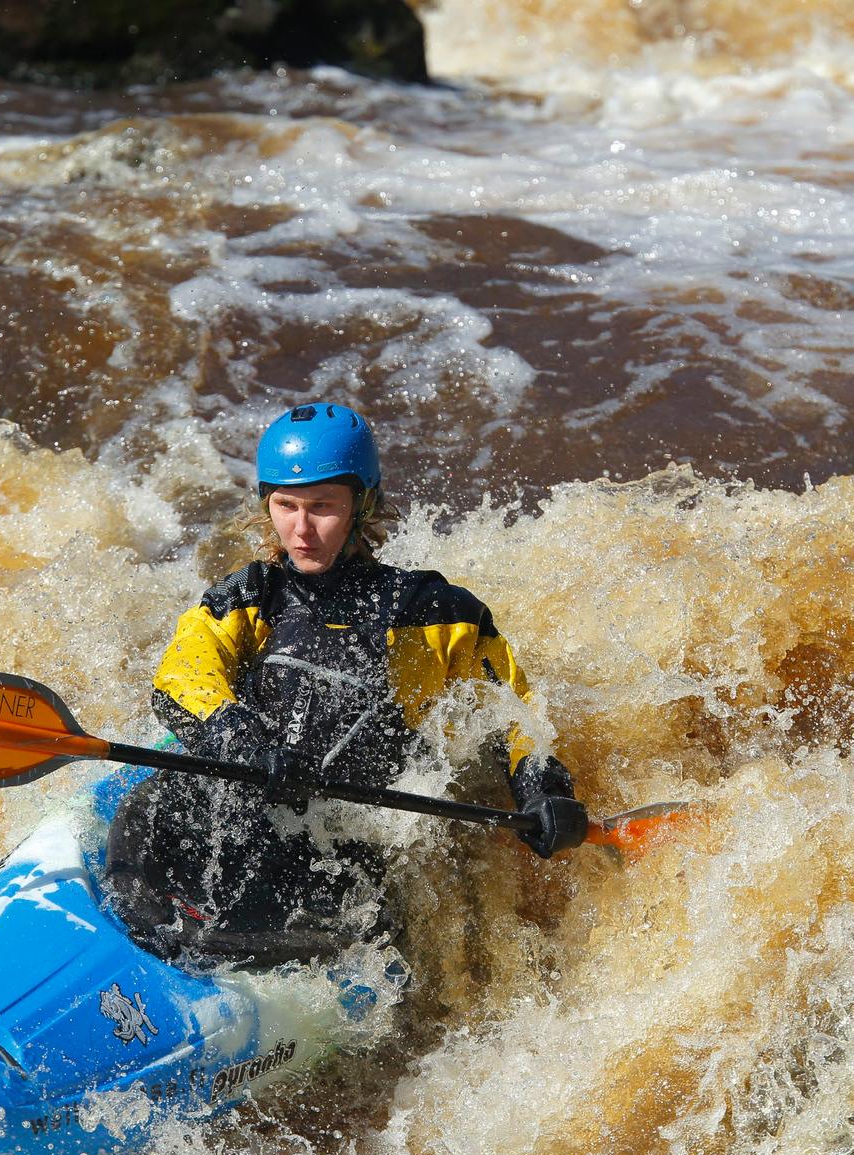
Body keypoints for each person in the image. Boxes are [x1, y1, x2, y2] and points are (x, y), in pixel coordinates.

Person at [104, 401, 586, 966]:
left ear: (365, 506)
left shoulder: (434, 614)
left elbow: (513, 713)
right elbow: (182, 680)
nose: (300, 530)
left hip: (339, 845)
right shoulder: (246, 598)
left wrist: (543, 791)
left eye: (322, 508)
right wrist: (250, 747)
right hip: (229, 810)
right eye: (285, 506)